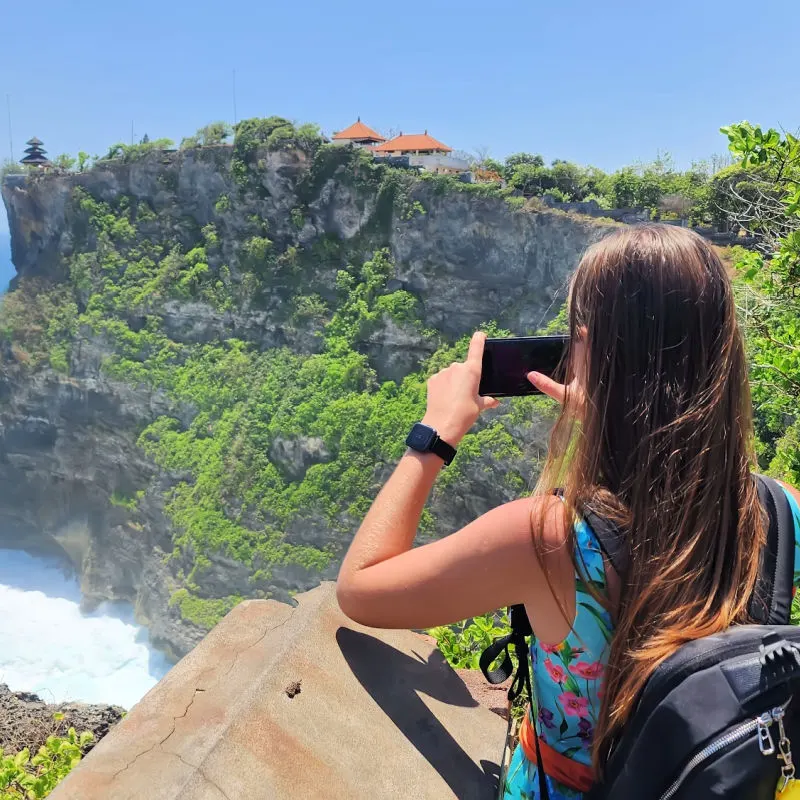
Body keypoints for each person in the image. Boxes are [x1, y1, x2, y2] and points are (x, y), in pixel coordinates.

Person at [336, 224, 800, 799]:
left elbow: (360, 589)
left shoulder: (550, 538)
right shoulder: (780, 509)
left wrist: (434, 435)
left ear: (588, 349)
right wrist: (619, 424)